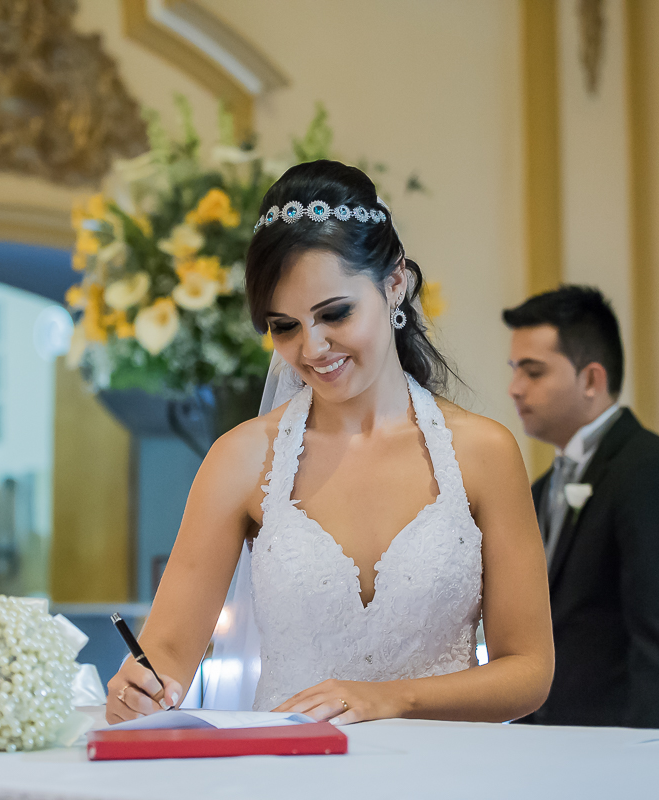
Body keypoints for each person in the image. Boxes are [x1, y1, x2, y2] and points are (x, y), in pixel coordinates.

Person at [107, 160, 554, 724]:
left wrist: (393, 699)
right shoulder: (242, 460)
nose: (313, 348)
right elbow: (167, 654)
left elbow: (529, 669)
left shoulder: (484, 453)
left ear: (395, 284)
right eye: (285, 326)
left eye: (334, 313)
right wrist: (140, 689)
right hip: (288, 776)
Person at [502, 285, 659, 731]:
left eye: (533, 372)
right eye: (514, 370)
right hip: (566, 746)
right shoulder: (543, 488)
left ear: (592, 380)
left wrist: (646, 764)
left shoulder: (651, 472)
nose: (515, 388)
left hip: (634, 750)